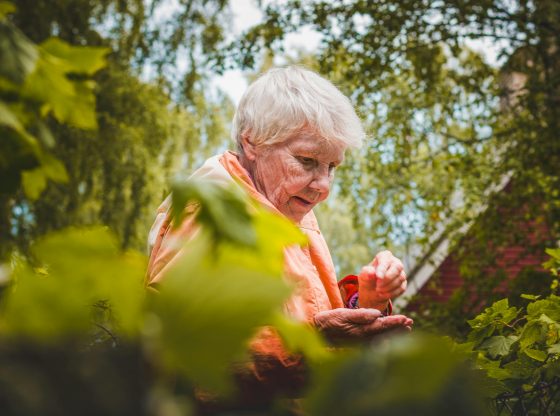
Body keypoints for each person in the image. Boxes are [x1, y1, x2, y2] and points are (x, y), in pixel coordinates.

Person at [146, 66, 412, 404]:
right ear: (252, 141)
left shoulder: (286, 206)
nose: (323, 186)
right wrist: (314, 341)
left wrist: (366, 301)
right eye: (307, 160)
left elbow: (303, 315)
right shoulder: (210, 213)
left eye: (333, 167)